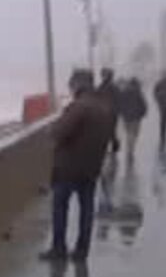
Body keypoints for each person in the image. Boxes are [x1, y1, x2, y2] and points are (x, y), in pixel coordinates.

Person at [42, 68, 116, 263]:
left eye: (72, 84)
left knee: (60, 207)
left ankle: (59, 248)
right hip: (91, 168)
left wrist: (51, 129)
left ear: (78, 84)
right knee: (87, 209)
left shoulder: (78, 107)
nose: (70, 87)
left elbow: (59, 133)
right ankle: (82, 250)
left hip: (68, 168)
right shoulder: (104, 108)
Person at [115, 78, 148, 162]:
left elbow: (119, 103)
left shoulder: (124, 92)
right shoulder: (138, 93)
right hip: (136, 118)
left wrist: (122, 113)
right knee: (134, 134)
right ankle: (131, 149)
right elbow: (143, 105)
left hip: (126, 117)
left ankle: (129, 147)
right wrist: (142, 113)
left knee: (129, 133)